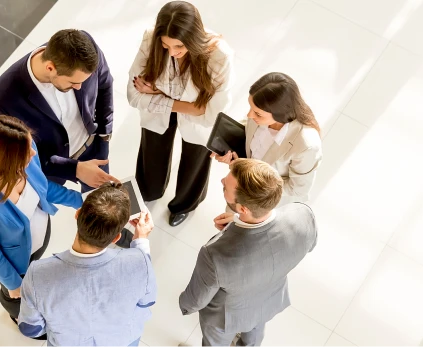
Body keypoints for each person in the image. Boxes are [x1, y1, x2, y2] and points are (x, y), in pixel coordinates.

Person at [0, 28, 133, 247]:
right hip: (54, 167)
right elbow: (26, 156)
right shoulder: (5, 97)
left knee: (104, 202)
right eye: (73, 83)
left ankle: (108, 234)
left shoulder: (85, 49)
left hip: (95, 145)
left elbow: (104, 83)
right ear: (50, 68)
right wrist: (75, 169)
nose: (80, 87)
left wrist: (103, 133)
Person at [0, 115, 83, 340]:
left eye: (29, 144)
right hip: (14, 263)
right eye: (27, 152)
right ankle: (19, 315)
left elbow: (43, 188)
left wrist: (82, 200)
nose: (33, 153)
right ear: (4, 161)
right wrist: (14, 286)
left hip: (36, 241)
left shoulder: (27, 151)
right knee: (18, 296)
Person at [179, 159, 318, 347]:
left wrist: (184, 306)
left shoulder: (215, 254)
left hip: (226, 318)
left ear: (244, 208)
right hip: (267, 302)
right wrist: (238, 220)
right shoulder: (303, 215)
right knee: (254, 333)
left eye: (225, 187)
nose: (221, 181)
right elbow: (308, 245)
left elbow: (195, 301)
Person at [128, 0, 234, 227]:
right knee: (152, 151)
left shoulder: (219, 56)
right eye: (166, 47)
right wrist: (189, 104)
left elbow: (210, 113)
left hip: (197, 122)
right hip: (162, 113)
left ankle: (185, 204)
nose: (173, 53)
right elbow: (134, 96)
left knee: (195, 160)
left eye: (180, 47)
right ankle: (148, 190)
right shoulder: (151, 38)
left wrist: (159, 95)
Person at [17, 183, 157, 346]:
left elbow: (30, 329)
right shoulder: (140, 262)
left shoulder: (37, 274)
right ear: (116, 238)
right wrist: (141, 241)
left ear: (77, 214)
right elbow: (147, 301)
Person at [212, 72, 322, 206]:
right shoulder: (259, 117)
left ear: (280, 113)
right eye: (250, 108)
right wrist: (227, 151)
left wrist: (249, 176)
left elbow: (298, 189)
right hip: (240, 192)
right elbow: (247, 129)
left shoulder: (306, 146)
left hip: (265, 205)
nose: (249, 115)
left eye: (257, 113)